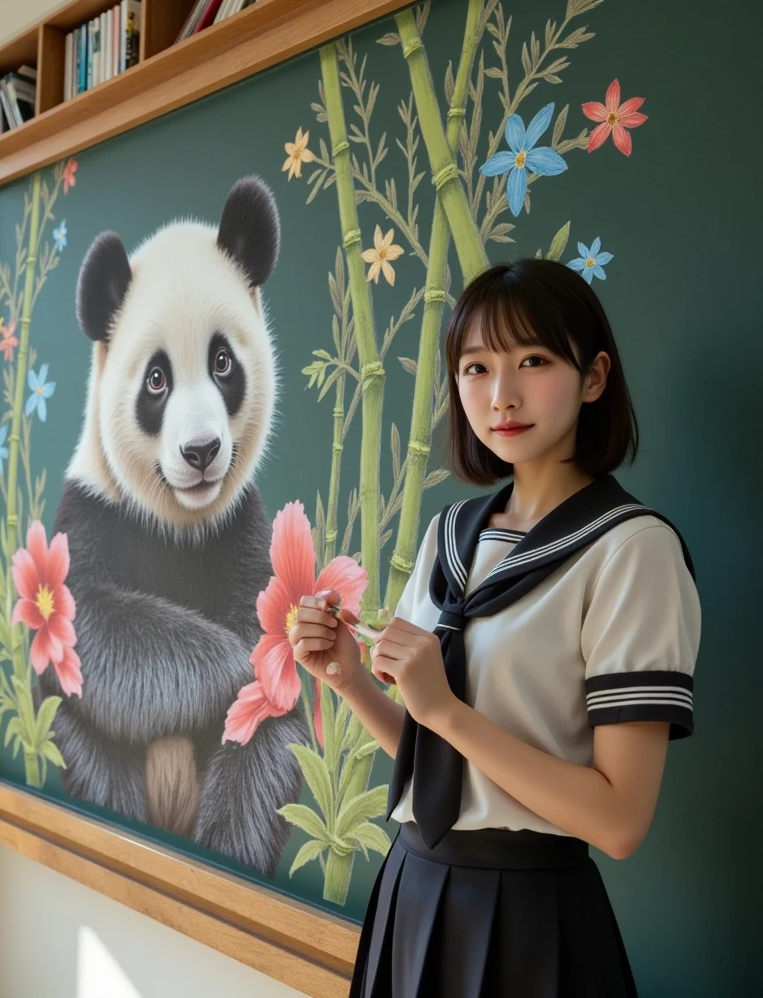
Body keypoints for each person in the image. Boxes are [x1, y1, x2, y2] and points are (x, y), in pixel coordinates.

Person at [289, 258, 701, 998]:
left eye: (533, 361)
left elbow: (618, 821)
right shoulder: (452, 534)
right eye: (475, 368)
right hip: (412, 887)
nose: (501, 395)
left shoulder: (632, 550)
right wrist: (350, 678)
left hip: (530, 921)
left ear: (594, 376)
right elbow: (442, 763)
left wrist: (445, 708)